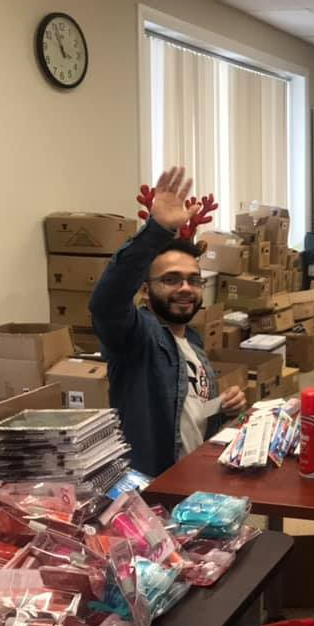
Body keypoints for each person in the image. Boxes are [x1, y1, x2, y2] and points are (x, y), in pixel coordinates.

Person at [89, 167, 247, 476]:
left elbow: (191, 414)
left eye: (193, 280)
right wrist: (156, 230)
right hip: (154, 492)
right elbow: (106, 303)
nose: (185, 288)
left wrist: (224, 408)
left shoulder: (195, 345)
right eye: (171, 279)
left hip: (194, 483)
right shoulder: (137, 338)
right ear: (146, 291)